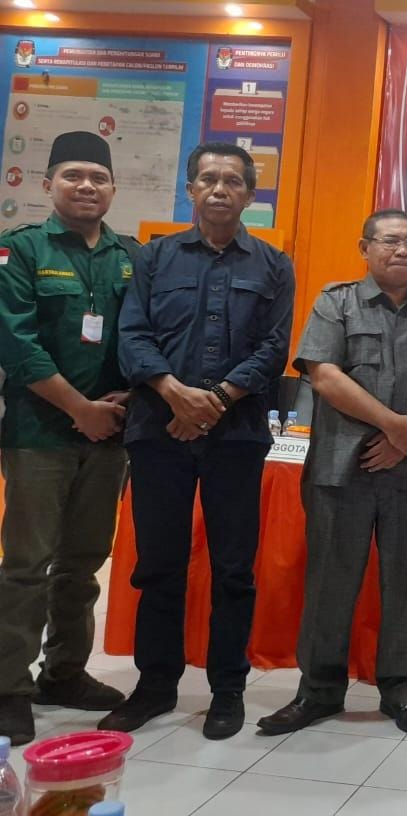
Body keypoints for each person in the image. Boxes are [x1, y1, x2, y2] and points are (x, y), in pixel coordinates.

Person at [102, 142, 294, 740]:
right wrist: (174, 393)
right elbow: (132, 335)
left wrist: (213, 402)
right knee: (158, 564)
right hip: (158, 432)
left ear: (250, 194)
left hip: (235, 436)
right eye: (208, 179)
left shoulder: (273, 264)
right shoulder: (154, 258)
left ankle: (227, 689)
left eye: (232, 181)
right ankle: (155, 685)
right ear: (190, 190)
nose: (219, 189)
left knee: (234, 568)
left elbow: (274, 347)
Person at [257, 209, 407, 738]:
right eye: (390, 241)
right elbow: (325, 377)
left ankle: (402, 689)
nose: (402, 250)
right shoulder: (336, 302)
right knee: (330, 583)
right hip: (340, 469)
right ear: (365, 248)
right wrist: (394, 426)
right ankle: (318, 691)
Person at [0, 132, 136, 745]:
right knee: (26, 566)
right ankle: (9, 687)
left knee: (82, 563)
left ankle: (64, 673)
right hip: (39, 435)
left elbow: (144, 336)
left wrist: (128, 399)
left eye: (98, 177)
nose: (87, 186)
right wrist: (80, 408)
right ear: (48, 184)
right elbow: (16, 344)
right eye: (73, 175)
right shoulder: (21, 249)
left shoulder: (130, 256)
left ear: (113, 188)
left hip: (109, 436)